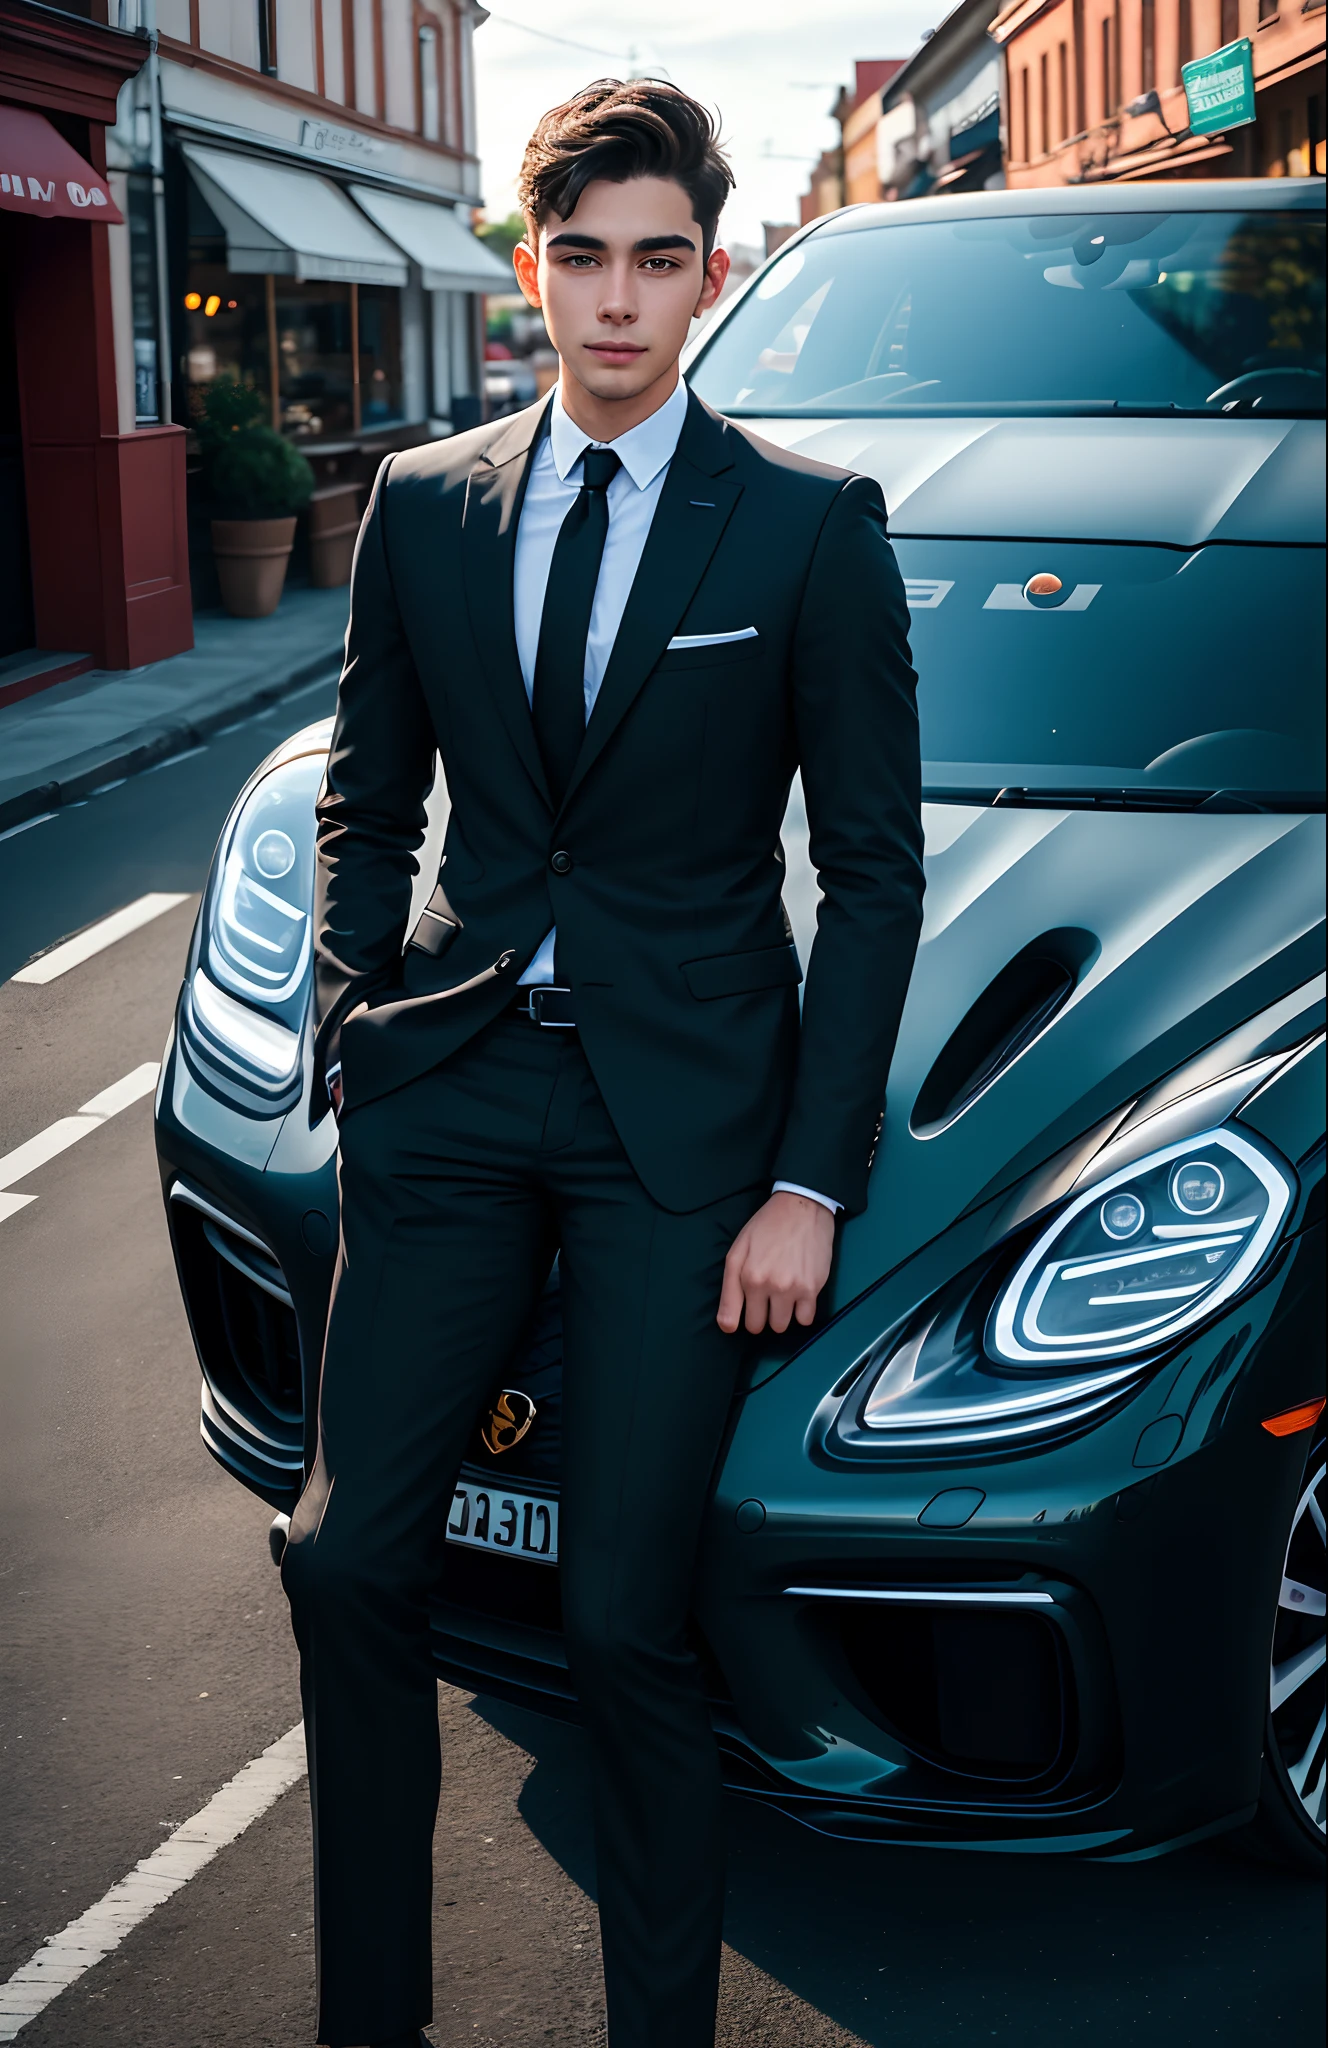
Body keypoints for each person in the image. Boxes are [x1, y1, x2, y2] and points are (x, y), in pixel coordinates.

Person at [281, 76, 924, 2048]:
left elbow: (876, 876)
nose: (618, 298)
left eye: (659, 259)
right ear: (532, 265)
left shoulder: (809, 527)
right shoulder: (426, 505)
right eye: (581, 255)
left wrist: (808, 1179)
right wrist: (345, 1019)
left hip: (683, 1138)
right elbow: (363, 797)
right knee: (344, 1562)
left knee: (621, 1618)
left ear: (707, 275)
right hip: (457, 1088)